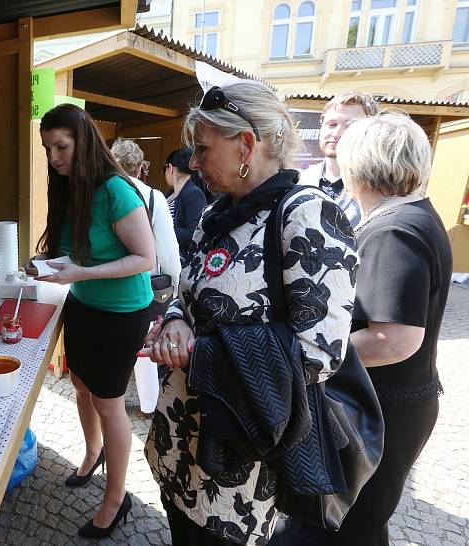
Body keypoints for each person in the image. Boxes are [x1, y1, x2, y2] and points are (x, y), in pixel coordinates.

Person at [142, 81, 358, 545]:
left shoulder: (308, 215)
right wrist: (177, 319)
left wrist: (202, 353)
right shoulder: (217, 214)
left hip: (236, 467)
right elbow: (188, 291)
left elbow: (319, 352)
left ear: (245, 144)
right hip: (181, 442)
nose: (193, 164)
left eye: (202, 150)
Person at [274, 113, 452, 546]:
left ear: (359, 165)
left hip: (380, 408)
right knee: (360, 524)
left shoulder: (394, 229)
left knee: (336, 526)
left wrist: (306, 355)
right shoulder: (413, 215)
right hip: (395, 404)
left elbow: (395, 339)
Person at [27, 104, 155, 538]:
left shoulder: (116, 189)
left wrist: (79, 272)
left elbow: (145, 258)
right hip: (82, 304)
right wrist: (43, 263)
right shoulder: (69, 187)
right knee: (80, 385)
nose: (54, 157)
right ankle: (92, 453)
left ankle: (117, 498)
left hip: (121, 312)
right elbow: (71, 251)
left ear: (84, 142)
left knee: (108, 401)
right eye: (48, 149)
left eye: (61, 146)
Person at [110, 137, 181, 417]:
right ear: (140, 167)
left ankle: (110, 398)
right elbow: (167, 248)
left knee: (114, 343)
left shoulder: (105, 194)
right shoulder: (153, 197)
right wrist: (174, 285)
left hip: (110, 283)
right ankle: (148, 405)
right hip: (145, 284)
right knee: (143, 346)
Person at [298, 91, 379, 226]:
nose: (336, 134)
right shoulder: (299, 180)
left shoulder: (378, 189)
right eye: (332, 124)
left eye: (349, 125)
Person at [164, 147, 207, 264]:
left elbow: (193, 234)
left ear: (170, 168)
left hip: (181, 262)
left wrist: (161, 229)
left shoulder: (194, 194)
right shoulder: (170, 195)